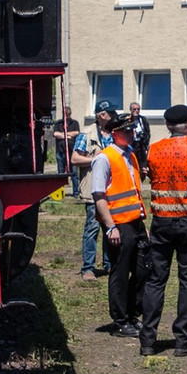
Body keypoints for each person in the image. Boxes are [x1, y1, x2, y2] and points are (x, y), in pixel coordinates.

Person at [139, 104, 187, 356]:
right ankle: (183, 342)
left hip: (161, 222)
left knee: (156, 281)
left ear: (168, 125)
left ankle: (147, 341)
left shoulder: (154, 150)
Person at [90, 102, 147, 337]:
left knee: (143, 269)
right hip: (119, 225)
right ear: (115, 133)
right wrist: (110, 226)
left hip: (135, 222)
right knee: (120, 272)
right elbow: (98, 196)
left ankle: (133, 314)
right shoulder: (105, 158)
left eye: (132, 130)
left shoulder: (130, 155)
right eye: (127, 131)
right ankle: (121, 320)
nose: (131, 133)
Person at [75, 107, 104, 278]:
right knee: (92, 229)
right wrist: (96, 160)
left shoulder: (115, 134)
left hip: (112, 191)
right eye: (110, 113)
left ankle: (109, 264)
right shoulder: (86, 134)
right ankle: (88, 268)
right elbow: (75, 158)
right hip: (93, 189)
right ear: (101, 115)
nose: (114, 116)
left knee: (112, 229)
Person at [52, 105, 83, 197]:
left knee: (74, 173)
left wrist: (64, 135)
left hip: (71, 151)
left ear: (70, 114)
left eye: (68, 114)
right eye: (65, 114)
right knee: (60, 173)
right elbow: (55, 134)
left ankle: (76, 192)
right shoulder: (58, 123)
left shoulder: (75, 123)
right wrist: (68, 136)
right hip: (60, 151)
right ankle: (60, 193)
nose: (66, 116)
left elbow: (77, 133)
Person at [126, 101, 150, 166]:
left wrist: (145, 142)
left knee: (142, 164)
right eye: (134, 109)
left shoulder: (143, 120)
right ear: (130, 110)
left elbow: (147, 132)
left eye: (138, 109)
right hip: (131, 145)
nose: (136, 111)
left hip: (141, 146)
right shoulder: (127, 120)